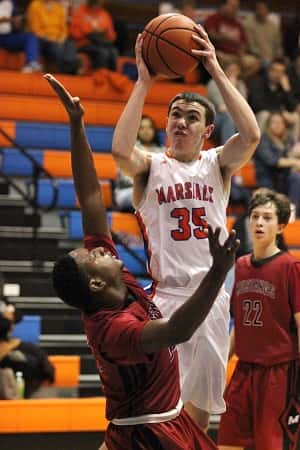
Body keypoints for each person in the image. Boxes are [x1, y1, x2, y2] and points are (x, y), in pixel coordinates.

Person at [44, 73, 239, 450]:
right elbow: (177, 331)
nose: (102, 249)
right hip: (146, 431)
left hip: (168, 418)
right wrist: (217, 272)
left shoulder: (121, 285)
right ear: (96, 282)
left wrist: (76, 125)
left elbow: (89, 198)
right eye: (93, 256)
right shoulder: (114, 329)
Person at [111, 27, 260, 430]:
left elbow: (251, 135)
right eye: (175, 114)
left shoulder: (216, 164)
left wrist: (213, 65)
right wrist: (144, 82)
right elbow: (121, 151)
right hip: (168, 299)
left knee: (197, 419)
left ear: (206, 131)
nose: (180, 121)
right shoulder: (151, 167)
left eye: (191, 117)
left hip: (211, 301)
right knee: (157, 413)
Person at [218, 188, 300, 450]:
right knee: (227, 441)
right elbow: (239, 324)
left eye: (267, 218)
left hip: (279, 373)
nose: (259, 223)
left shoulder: (290, 267)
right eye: (255, 217)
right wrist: (223, 362)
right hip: (245, 369)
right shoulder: (240, 265)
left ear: (280, 226)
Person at [114, 115, 164, 212]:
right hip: (129, 191)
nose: (146, 131)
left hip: (155, 191)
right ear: (136, 131)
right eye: (142, 128)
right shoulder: (129, 150)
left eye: (149, 127)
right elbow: (125, 177)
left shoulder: (163, 151)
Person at [254, 111, 300, 216]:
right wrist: (294, 161)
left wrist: (294, 157)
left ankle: (292, 211)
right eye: (274, 122)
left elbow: (291, 155)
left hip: (284, 179)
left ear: (284, 125)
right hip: (267, 179)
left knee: (296, 178)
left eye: (280, 122)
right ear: (268, 125)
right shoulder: (263, 140)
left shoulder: (288, 139)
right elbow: (273, 161)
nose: (277, 125)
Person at [27, 0, 80, 75]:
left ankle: (71, 68)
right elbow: (35, 29)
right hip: (44, 40)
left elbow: (64, 29)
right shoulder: (35, 5)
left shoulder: (59, 7)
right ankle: (70, 70)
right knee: (55, 48)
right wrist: (50, 39)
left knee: (70, 44)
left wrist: (61, 39)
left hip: (58, 39)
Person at [69, 0, 118, 71]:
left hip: (102, 43)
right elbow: (74, 33)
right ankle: (100, 76)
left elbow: (112, 37)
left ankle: (112, 77)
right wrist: (90, 31)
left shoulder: (104, 14)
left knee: (114, 51)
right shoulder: (80, 12)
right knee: (103, 53)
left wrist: (104, 33)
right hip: (85, 43)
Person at [0, 0, 41, 73]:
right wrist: (12, 20)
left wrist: (19, 23)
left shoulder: (21, 6)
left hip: (12, 37)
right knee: (29, 37)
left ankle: (31, 63)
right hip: (3, 37)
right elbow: (2, 18)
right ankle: (31, 63)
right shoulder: (7, 3)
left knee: (31, 37)